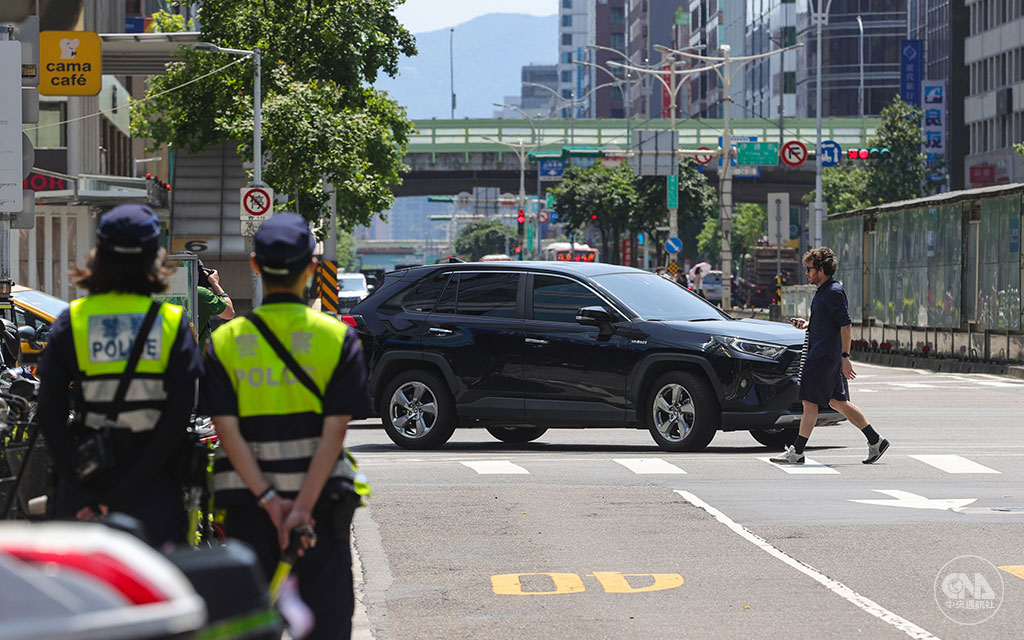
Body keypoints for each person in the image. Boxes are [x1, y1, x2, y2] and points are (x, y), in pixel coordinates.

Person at [201, 213, 372, 639]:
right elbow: (335, 434)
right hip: (320, 510)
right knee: (328, 624)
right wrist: (299, 509)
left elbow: (226, 431)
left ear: (255, 265)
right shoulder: (337, 338)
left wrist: (270, 500)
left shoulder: (226, 341)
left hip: (247, 509)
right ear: (312, 269)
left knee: (252, 623)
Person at [36, 204, 202, 547]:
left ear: (99, 256)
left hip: (86, 480)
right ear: (154, 258)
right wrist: (126, 493)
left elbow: (49, 413)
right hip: (153, 491)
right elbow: (178, 418)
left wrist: (83, 491)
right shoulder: (171, 323)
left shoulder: (73, 320)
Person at [770, 247, 889, 465]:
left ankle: (797, 451)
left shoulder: (833, 291)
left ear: (822, 270)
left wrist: (845, 356)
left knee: (809, 403)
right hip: (824, 353)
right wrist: (808, 324)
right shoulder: (825, 291)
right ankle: (876, 441)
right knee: (837, 401)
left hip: (823, 356)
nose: (806, 273)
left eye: (809, 269)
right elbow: (830, 323)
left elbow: (845, 325)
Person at [194, 256, 234, 352]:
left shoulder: (161, 294)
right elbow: (229, 312)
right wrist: (215, 284)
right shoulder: (199, 294)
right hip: (196, 360)